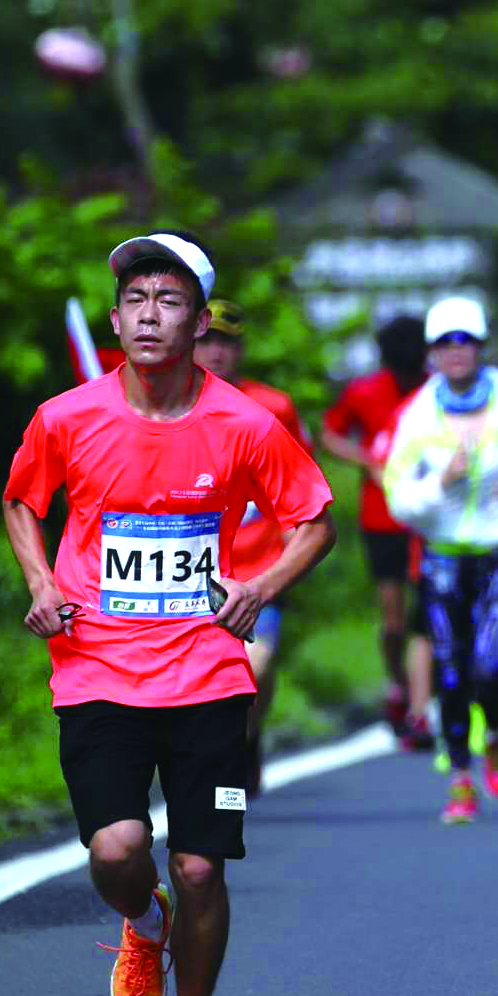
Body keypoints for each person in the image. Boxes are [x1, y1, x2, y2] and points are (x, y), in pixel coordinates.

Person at [2, 231, 336, 996]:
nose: (151, 316)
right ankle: (142, 927)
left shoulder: (244, 422)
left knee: (198, 864)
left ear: (198, 322)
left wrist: (260, 587)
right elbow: (21, 501)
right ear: (116, 319)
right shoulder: (67, 417)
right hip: (97, 668)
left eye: (171, 301)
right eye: (138, 301)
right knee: (117, 850)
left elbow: (314, 520)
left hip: (206, 673)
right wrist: (41, 580)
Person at [382, 297, 498, 825]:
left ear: (481, 347)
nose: (456, 352)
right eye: (445, 343)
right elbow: (398, 499)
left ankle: (494, 736)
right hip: (443, 554)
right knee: (451, 670)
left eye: (466, 342)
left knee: (490, 664)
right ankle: (459, 779)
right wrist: (441, 483)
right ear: (431, 353)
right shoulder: (415, 417)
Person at [190, 299, 312, 796]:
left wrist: (294, 541)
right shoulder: (169, 404)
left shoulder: (274, 405)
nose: (217, 352)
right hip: (193, 570)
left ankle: (247, 738)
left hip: (258, 569)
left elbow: (298, 483)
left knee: (257, 667)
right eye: (207, 340)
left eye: (227, 342)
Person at [320, 314, 433, 741]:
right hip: (381, 517)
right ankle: (397, 684)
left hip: (428, 519)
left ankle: (422, 707)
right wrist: (367, 459)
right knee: (393, 618)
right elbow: (330, 434)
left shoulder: (433, 391)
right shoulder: (364, 391)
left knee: (427, 612)